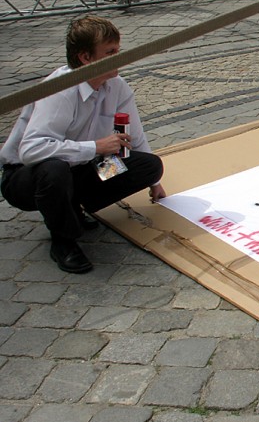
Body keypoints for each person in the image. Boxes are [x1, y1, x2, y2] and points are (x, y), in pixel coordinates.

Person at [0, 16, 166, 274]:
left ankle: (73, 204)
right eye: (110, 53)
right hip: (26, 177)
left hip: (80, 169)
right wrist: (95, 147)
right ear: (86, 58)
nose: (119, 58)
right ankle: (63, 241)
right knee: (54, 170)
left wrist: (155, 183)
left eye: (118, 50)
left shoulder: (117, 86)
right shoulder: (59, 90)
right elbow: (32, 150)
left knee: (147, 165)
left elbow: (134, 136)